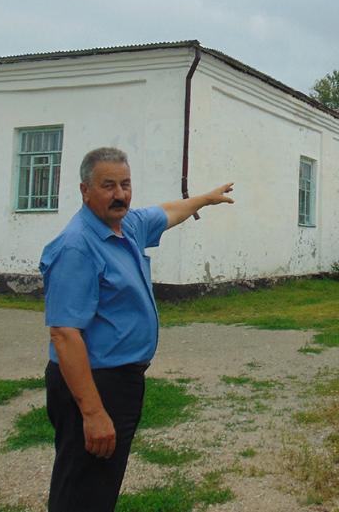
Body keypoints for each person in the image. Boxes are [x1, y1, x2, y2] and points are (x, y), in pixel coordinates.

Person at [41, 147, 233, 512]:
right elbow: (64, 335)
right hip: (94, 382)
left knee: (99, 484)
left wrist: (204, 200)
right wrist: (94, 413)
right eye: (108, 185)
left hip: (121, 380)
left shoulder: (125, 225)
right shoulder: (77, 246)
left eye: (125, 184)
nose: (120, 194)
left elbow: (166, 213)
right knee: (83, 487)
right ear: (85, 190)